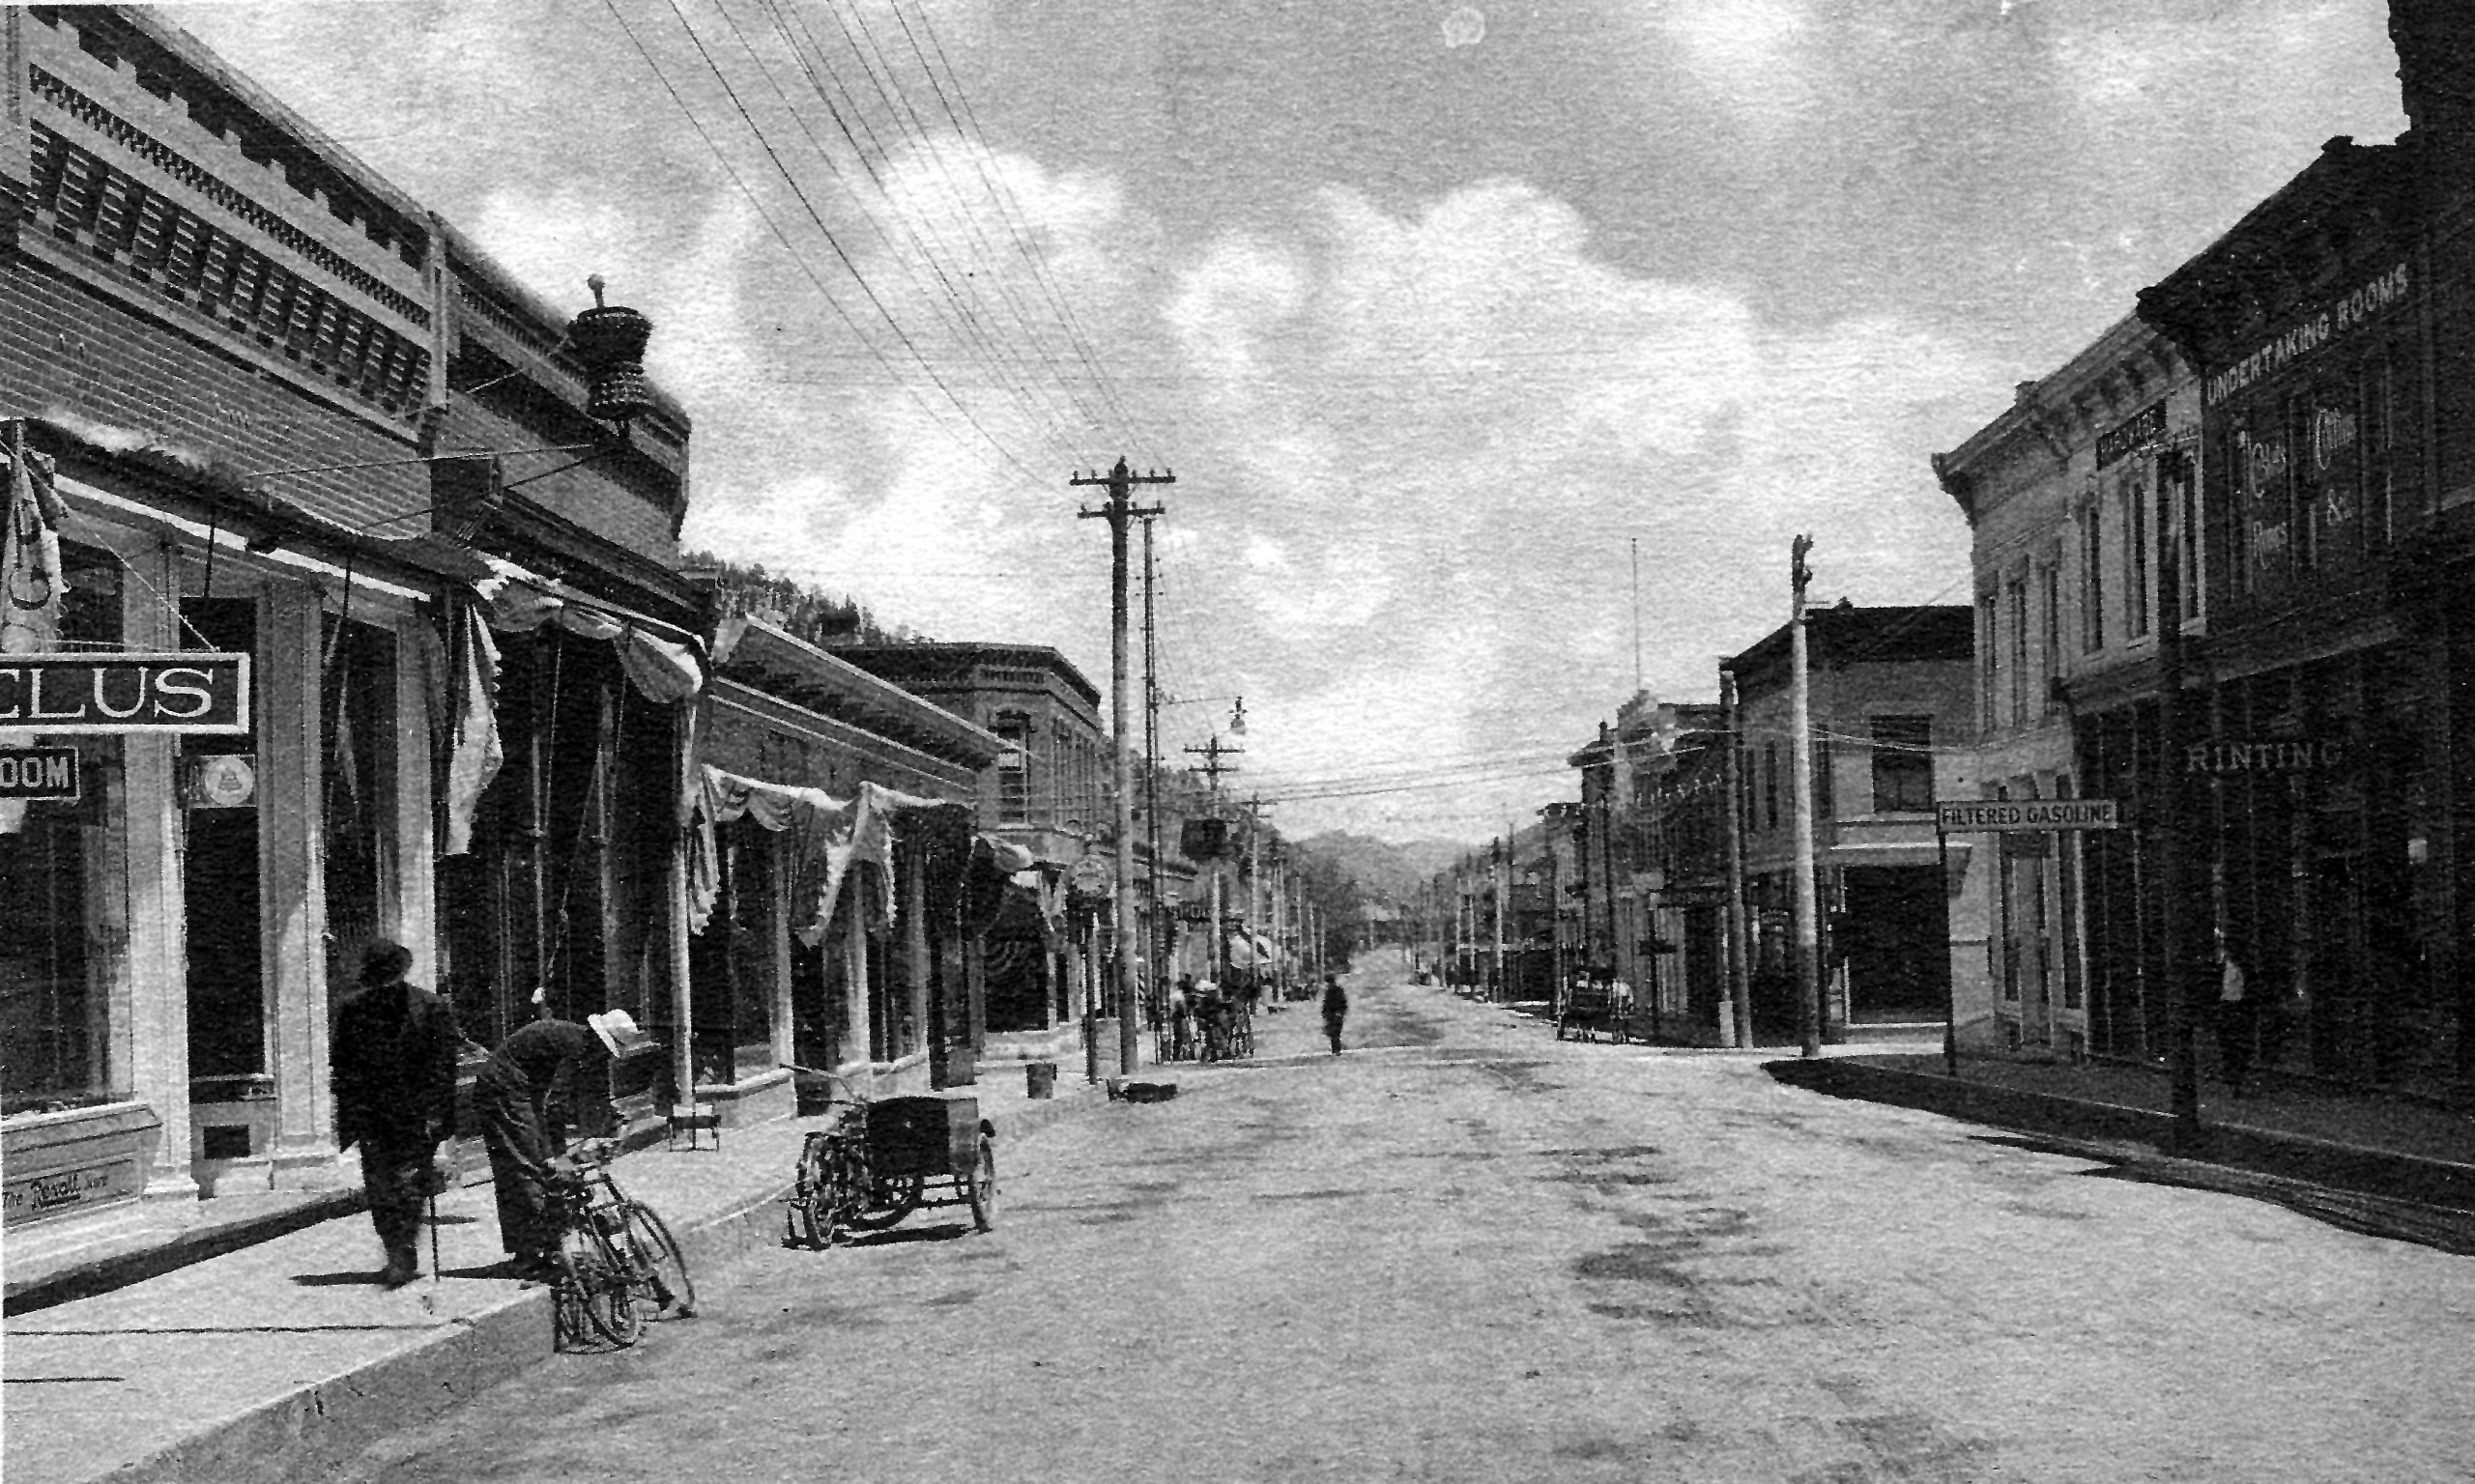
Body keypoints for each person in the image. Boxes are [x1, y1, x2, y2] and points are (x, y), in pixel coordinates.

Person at [474, 1007, 651, 1279]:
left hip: (520, 1091)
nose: (604, 1058)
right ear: (597, 1039)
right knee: (527, 1167)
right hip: (503, 1089)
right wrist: (557, 1155)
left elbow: (562, 1099)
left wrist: (609, 1115)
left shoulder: (575, 1043)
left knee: (540, 1165)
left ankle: (544, 1244)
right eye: (607, 1050)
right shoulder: (572, 1047)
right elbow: (555, 1106)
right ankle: (530, 1256)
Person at [331, 941, 460, 1288]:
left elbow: (444, 1067)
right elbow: (342, 1067)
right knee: (380, 1190)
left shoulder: (430, 1008)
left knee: (410, 1186)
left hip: (418, 1116)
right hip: (373, 1115)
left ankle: (403, 1254)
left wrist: (436, 1114)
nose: (385, 986)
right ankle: (395, 1251)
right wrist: (351, 1117)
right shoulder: (353, 1010)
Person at [2214, 928, 2257, 1099]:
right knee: (2230, 1045)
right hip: (2230, 1006)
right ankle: (2234, 1079)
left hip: (2236, 1007)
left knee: (2236, 1045)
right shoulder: (2224, 965)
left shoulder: (2239, 967)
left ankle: (2235, 1079)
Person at [1320, 975, 1348, 1056]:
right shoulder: (1328, 991)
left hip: (1337, 1014)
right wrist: (1325, 1013)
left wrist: (1340, 1012)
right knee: (1332, 1033)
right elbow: (1326, 1004)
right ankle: (1335, 1049)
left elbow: (1343, 1003)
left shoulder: (1338, 991)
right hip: (1330, 1015)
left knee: (1336, 1032)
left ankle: (1337, 1049)